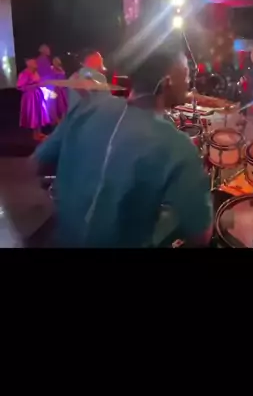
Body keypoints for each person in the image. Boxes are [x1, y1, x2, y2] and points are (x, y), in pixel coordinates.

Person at [33, 43, 213, 250]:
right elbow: (201, 235)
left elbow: (37, 164)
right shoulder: (177, 146)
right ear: (168, 81)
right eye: (187, 74)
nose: (189, 82)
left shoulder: (88, 108)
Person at [17, 58, 50, 141]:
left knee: (39, 114)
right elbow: (20, 87)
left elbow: (39, 82)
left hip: (38, 95)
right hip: (30, 97)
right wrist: (34, 86)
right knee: (34, 115)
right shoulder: (24, 73)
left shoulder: (36, 72)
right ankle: (35, 135)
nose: (36, 63)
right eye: (33, 62)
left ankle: (39, 133)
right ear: (28, 63)